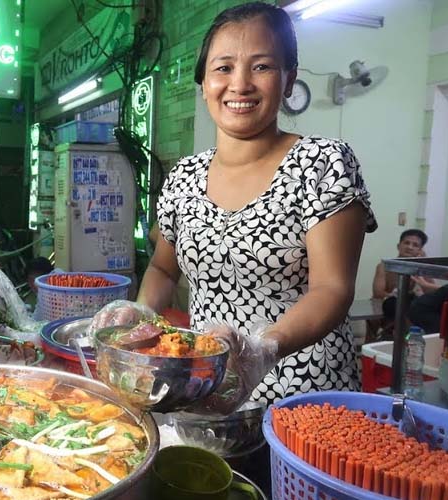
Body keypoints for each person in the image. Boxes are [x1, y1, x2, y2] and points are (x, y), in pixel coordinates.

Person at [92, 2, 377, 413]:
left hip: (303, 395)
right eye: (223, 68)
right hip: (205, 391)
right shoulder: (184, 176)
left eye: (261, 66)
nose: (240, 84)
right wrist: (141, 314)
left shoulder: (323, 162)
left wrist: (264, 348)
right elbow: (162, 268)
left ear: (288, 78)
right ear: (204, 83)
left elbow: (332, 288)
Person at [373, 229, 440, 328]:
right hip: (388, 305)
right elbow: (378, 293)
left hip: (410, 307)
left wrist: (424, 263)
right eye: (406, 243)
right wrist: (395, 296)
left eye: (415, 245)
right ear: (398, 246)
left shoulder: (419, 268)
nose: (410, 247)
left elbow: (432, 293)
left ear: (420, 250)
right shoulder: (384, 266)